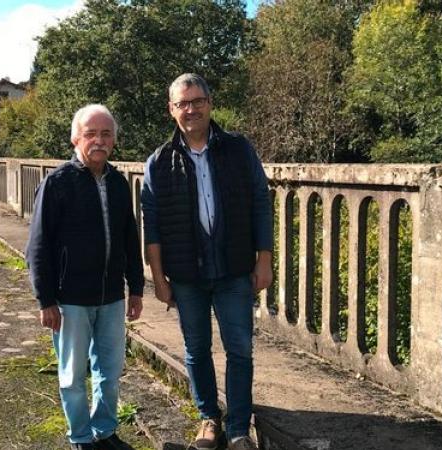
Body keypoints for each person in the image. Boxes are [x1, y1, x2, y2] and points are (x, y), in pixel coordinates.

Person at [141, 73, 273, 450]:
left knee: (240, 348)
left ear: (209, 104)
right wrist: (159, 279)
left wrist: (264, 259)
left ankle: (237, 428)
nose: (190, 109)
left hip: (233, 268)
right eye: (182, 103)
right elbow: (152, 226)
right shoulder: (159, 161)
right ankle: (207, 420)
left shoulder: (238, 149)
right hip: (186, 274)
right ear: (171, 110)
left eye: (197, 101)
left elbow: (260, 204)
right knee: (196, 348)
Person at [26, 104, 144, 450]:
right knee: (73, 375)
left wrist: (135, 289)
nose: (99, 140)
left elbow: (128, 239)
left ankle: (104, 431)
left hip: (111, 297)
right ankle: (81, 437)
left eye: (106, 134)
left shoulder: (119, 183)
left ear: (114, 141)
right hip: (70, 299)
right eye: (91, 133)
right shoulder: (57, 183)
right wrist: (45, 300)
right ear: (76, 138)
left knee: (110, 372)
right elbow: (38, 246)